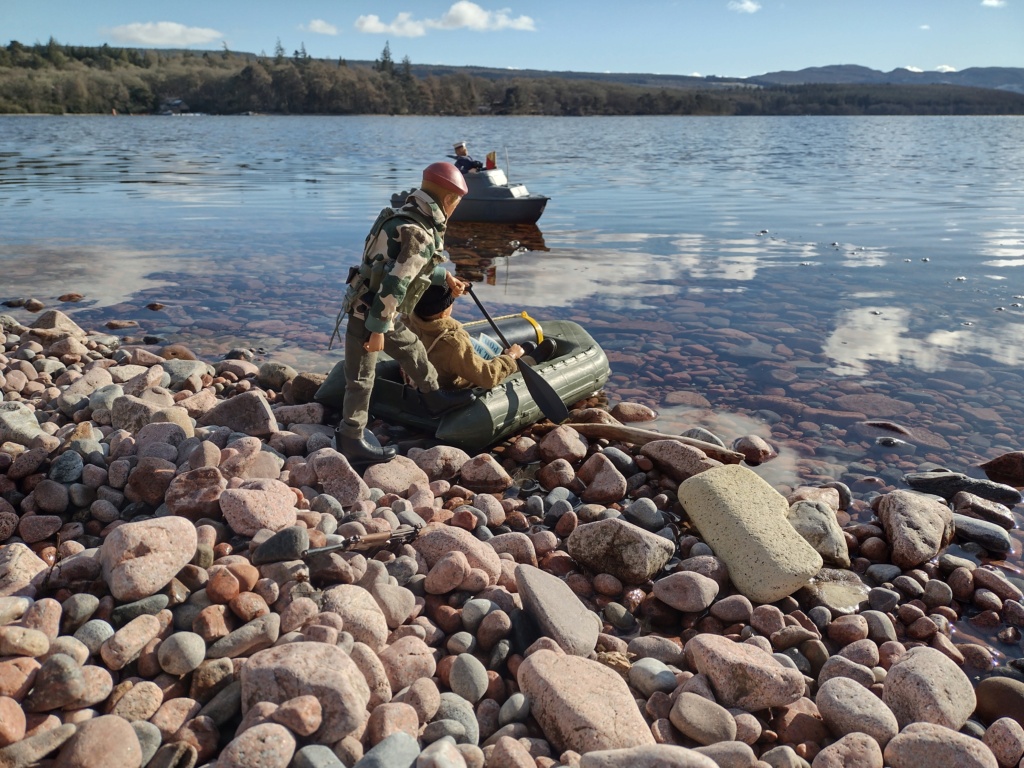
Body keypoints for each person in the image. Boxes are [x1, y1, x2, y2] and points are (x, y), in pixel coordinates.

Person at [333, 162, 475, 467]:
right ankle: (351, 437)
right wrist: (377, 330)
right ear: (448, 201)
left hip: (381, 310)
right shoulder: (420, 235)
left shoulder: (400, 218)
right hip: (371, 313)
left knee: (412, 349)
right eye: (456, 203)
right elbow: (395, 285)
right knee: (361, 378)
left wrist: (443, 277)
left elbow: (399, 266)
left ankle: (433, 395)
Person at [405, 282, 525, 390]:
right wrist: (510, 356)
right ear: (444, 312)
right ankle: (532, 359)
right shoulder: (454, 343)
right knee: (526, 357)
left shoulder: (408, 321)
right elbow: (487, 377)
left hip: (423, 378)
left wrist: (451, 284)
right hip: (453, 389)